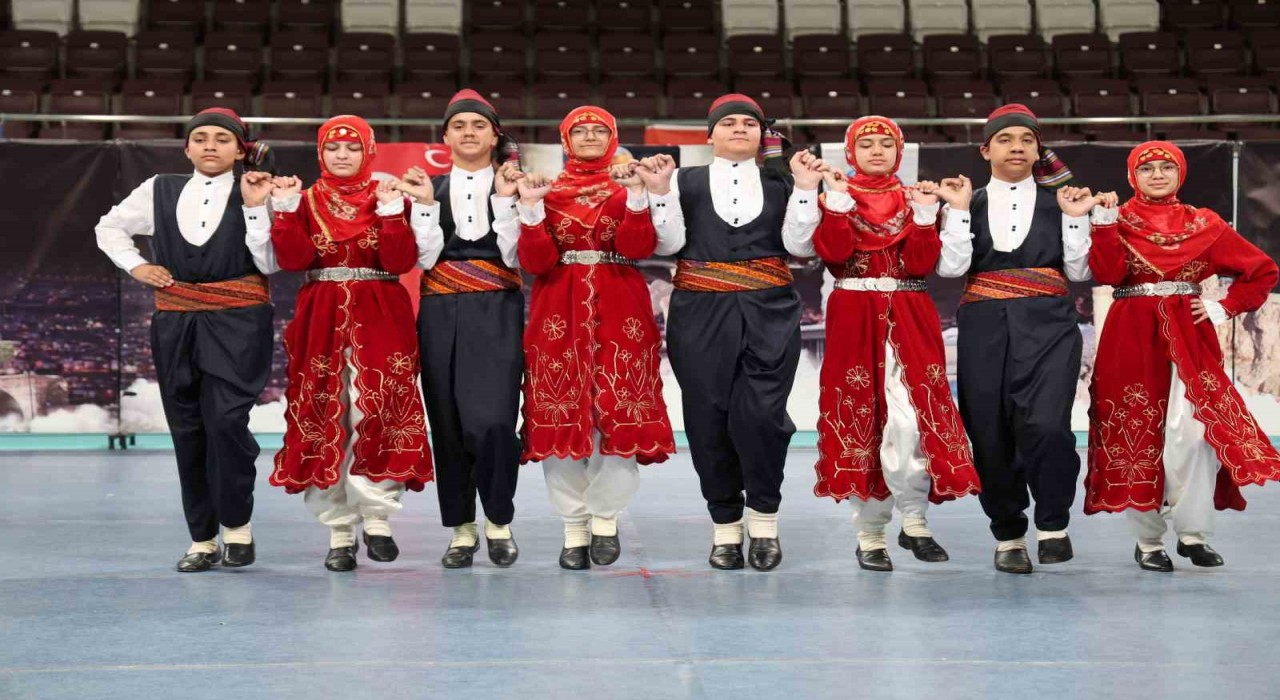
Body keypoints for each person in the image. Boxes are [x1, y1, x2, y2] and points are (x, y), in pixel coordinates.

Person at [639, 93, 828, 571]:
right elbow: (669, 243)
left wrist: (805, 188)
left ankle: (764, 518)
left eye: (749, 123)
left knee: (763, 415)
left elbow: (799, 247)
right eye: (729, 123)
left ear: (763, 134)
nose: (739, 128)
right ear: (711, 135)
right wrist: (660, 192)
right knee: (707, 418)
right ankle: (725, 526)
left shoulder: (784, 180)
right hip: (699, 311)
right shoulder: (682, 180)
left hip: (770, 308)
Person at [94, 108, 276, 572]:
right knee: (188, 428)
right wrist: (137, 266)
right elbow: (108, 227)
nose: (210, 145)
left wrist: (256, 207)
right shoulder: (159, 188)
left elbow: (271, 262)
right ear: (187, 147)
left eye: (222, 138)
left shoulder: (257, 191)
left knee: (226, 422)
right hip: (176, 320)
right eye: (200, 138)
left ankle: (237, 528)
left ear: (240, 149)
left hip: (239, 320)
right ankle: (202, 539)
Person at [1086, 141, 1280, 572]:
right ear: (1133, 175)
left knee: (1193, 435)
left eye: (1166, 167)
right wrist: (1100, 225)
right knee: (1137, 433)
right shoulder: (1116, 219)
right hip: (1131, 336)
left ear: (1181, 173)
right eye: (1147, 168)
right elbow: (1107, 274)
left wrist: (1223, 306)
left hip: (1190, 338)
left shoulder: (1204, 224)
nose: (1157, 175)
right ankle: (1149, 542)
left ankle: (1193, 534)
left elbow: (1262, 270)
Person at [811, 116, 982, 572]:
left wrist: (928, 215)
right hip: (853, 316)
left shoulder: (915, 200)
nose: (876, 151)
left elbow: (922, 263)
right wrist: (840, 203)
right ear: (850, 152)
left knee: (912, 420)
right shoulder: (834, 197)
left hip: (909, 314)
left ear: (899, 151)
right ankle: (869, 535)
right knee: (863, 418)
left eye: (885, 143)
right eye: (864, 144)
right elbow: (834, 253)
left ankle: (915, 520)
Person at [936, 104, 1099, 574]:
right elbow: (951, 268)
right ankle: (1008, 533)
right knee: (988, 431)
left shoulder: (1061, 201)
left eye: (1026, 140)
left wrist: (1073, 218)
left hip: (1049, 323)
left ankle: (1052, 524)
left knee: (1047, 426)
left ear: (1037, 149)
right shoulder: (969, 202)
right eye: (1006, 139)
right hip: (984, 324)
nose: (1017, 147)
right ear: (986, 149)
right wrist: (961, 212)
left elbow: (1080, 271)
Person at [267, 115, 433, 572]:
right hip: (320, 314)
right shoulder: (302, 200)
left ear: (369, 152)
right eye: (333, 148)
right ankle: (339, 531)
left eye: (352, 148)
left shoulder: (388, 196)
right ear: (320, 153)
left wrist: (391, 214)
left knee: (381, 406)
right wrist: (283, 210)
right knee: (325, 412)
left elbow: (399, 261)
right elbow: (294, 258)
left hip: (381, 310)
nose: (342, 155)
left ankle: (377, 517)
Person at [515, 106, 676, 570]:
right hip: (556, 313)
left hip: (621, 306)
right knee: (560, 412)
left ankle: (605, 520)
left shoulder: (626, 187)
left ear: (613, 138)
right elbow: (536, 261)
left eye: (598, 130)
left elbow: (636, 248)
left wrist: (638, 197)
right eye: (579, 130)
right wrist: (528, 208)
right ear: (565, 140)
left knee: (616, 415)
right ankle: (572, 529)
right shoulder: (544, 191)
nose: (588, 136)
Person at [411, 89, 525, 569]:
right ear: (445, 137)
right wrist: (420, 207)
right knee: (448, 422)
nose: (469, 133)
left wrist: (505, 200)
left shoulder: (517, 186)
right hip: (439, 311)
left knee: (495, 422)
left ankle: (498, 520)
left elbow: (520, 257)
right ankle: (461, 529)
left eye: (478, 126)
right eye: (459, 126)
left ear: (494, 135)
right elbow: (423, 258)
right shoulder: (427, 189)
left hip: (497, 308)